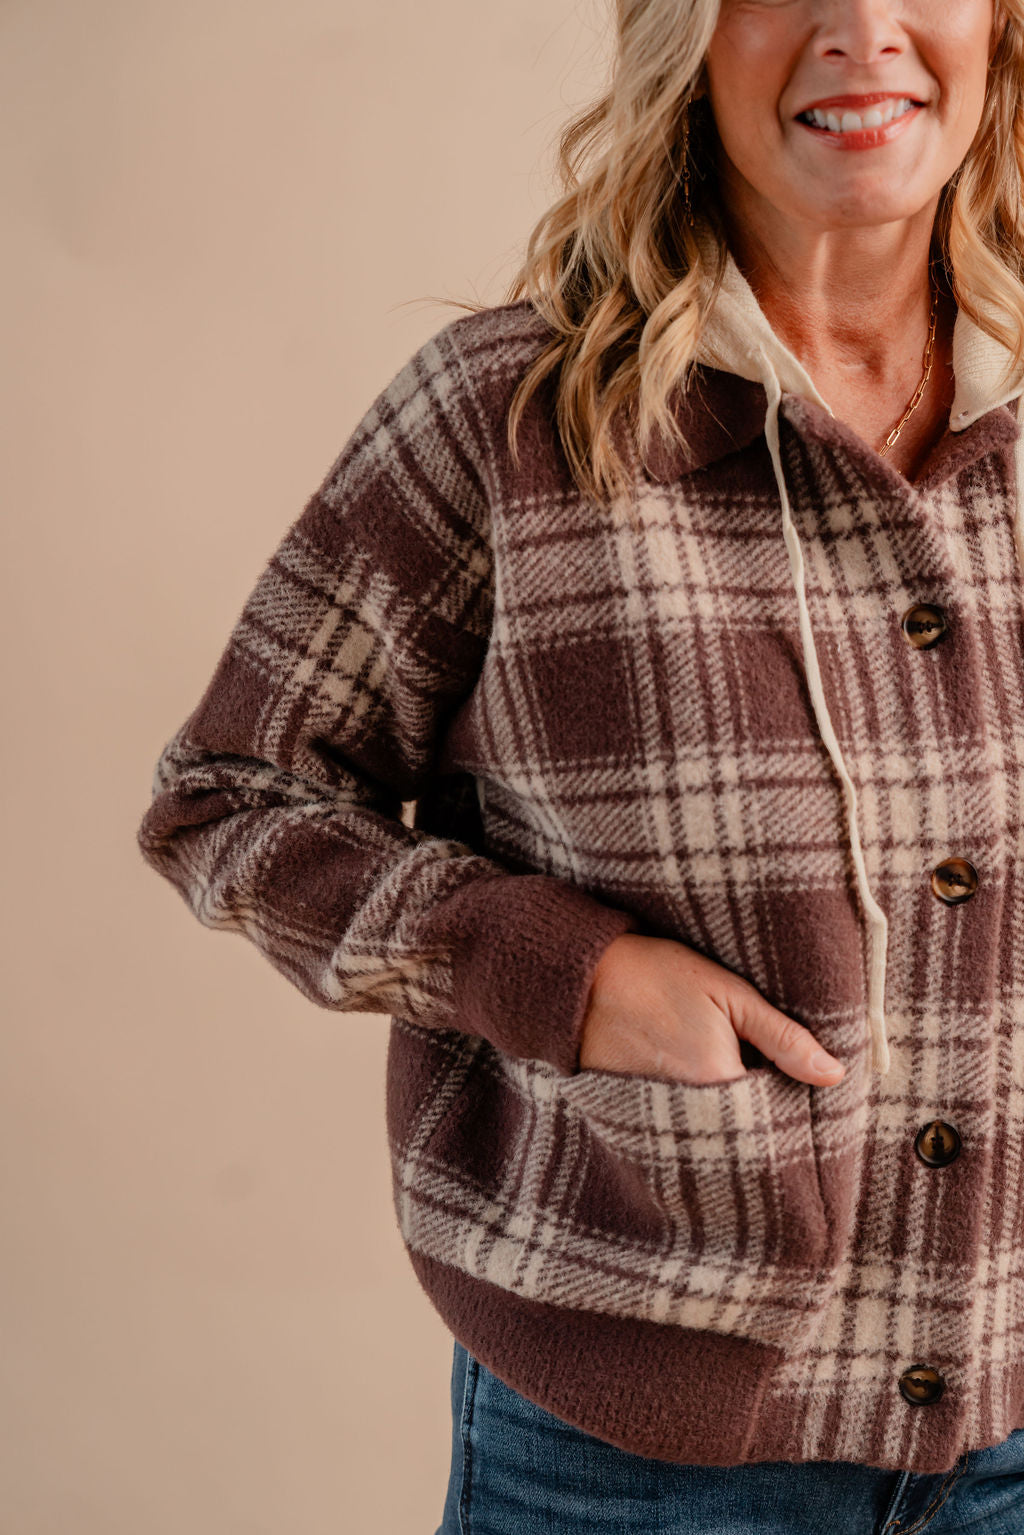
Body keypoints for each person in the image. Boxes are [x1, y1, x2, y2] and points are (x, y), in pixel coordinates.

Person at [136, 0, 1024, 1529]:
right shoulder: (511, 421)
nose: (861, 30)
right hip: (635, 1465)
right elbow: (228, 793)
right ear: (686, 32)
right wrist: (566, 973)